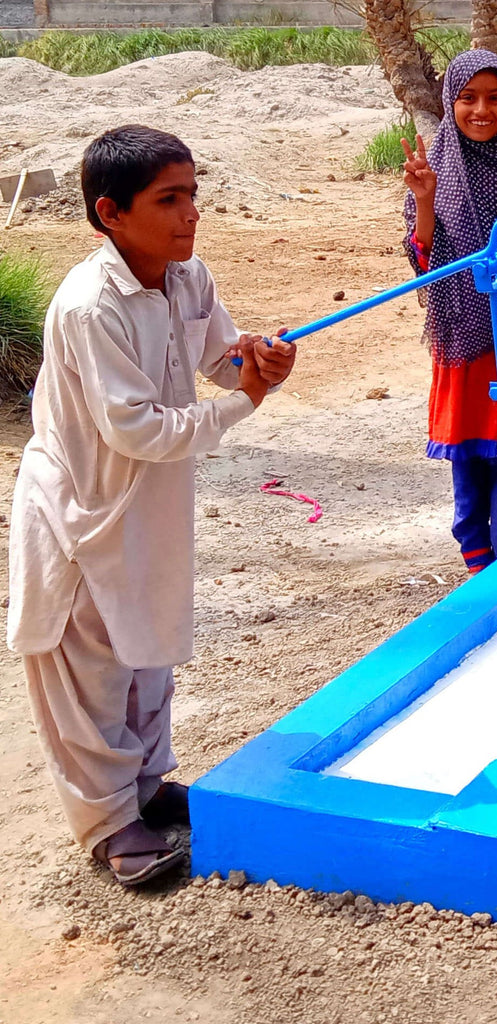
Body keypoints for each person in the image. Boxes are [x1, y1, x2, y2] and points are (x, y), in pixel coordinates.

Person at [6, 125, 296, 886]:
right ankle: (107, 825)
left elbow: (222, 356)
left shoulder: (185, 274)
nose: (190, 213)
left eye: (192, 194)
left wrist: (258, 360)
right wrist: (246, 403)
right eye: (169, 199)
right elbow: (134, 429)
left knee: (147, 652)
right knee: (88, 668)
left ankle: (143, 787)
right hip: (86, 511)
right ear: (111, 212)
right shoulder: (87, 307)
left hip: (149, 506)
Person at [401, 49, 497, 573]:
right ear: (450, 102)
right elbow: (424, 262)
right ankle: (476, 564)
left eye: (494, 98)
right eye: (468, 98)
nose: (481, 110)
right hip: (463, 332)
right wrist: (424, 200)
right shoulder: (433, 169)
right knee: (468, 456)